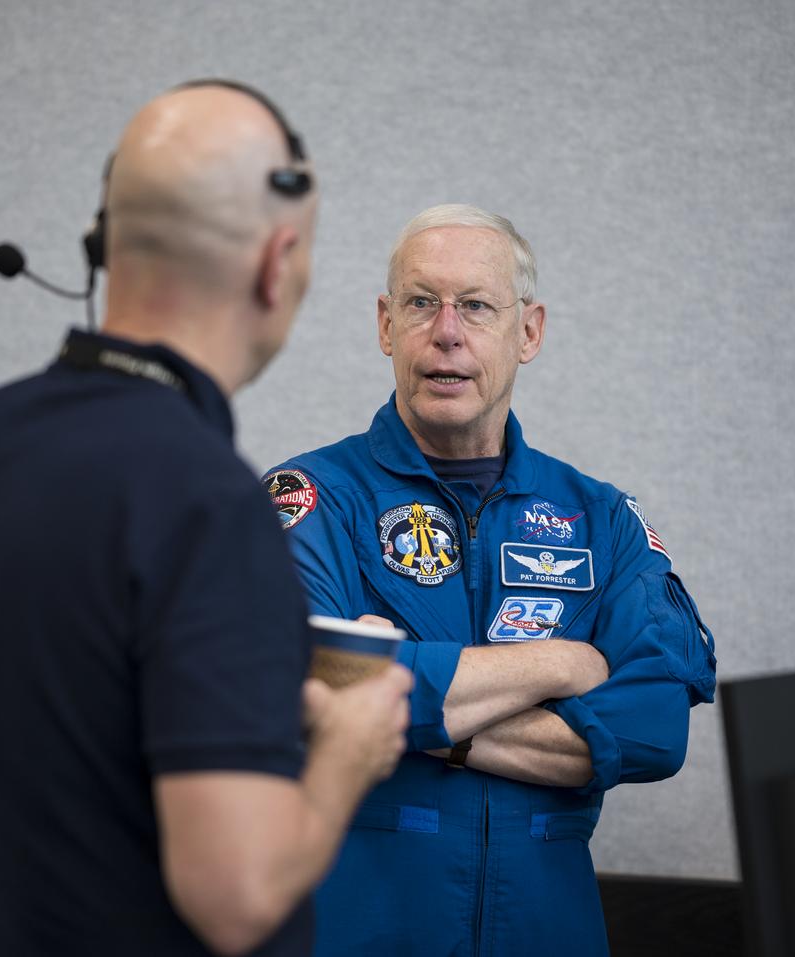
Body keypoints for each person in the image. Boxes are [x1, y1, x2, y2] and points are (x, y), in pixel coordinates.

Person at [0, 81, 413, 957]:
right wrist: (349, 747)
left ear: (101, 250)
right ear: (277, 263)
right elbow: (234, 895)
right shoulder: (208, 505)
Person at [263, 203, 717, 956]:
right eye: (420, 302)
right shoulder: (310, 499)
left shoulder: (600, 519)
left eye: (476, 305)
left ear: (528, 331)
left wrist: (408, 709)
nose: (447, 331)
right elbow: (305, 685)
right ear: (385, 326)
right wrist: (563, 663)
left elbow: (655, 729)